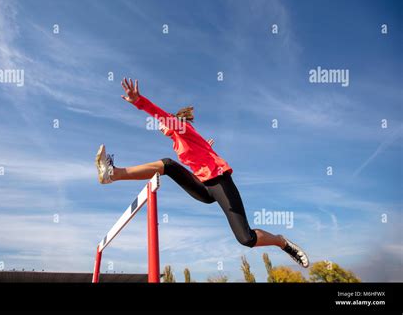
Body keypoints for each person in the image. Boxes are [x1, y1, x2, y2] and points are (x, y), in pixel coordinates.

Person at [95, 78, 309, 268]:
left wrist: (139, 101)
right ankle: (113, 174)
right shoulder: (179, 141)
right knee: (168, 165)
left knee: (246, 238)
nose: (159, 126)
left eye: (162, 124)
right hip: (204, 187)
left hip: (219, 182)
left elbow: (160, 114)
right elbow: (198, 155)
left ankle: (281, 241)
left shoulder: (180, 127)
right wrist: (206, 148)